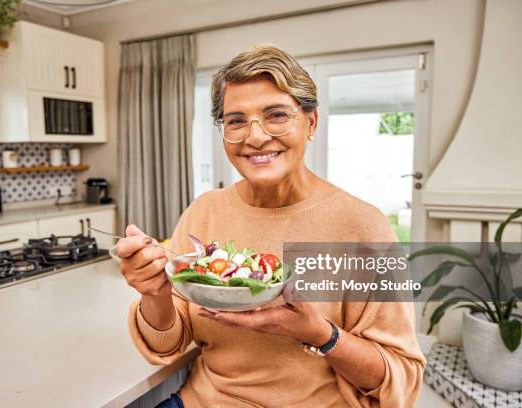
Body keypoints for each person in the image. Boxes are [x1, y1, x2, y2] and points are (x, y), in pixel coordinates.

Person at [117, 45, 425, 408]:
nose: (256, 137)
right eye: (236, 120)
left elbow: (400, 380)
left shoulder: (363, 227)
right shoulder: (205, 210)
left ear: (311, 123)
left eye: (276, 115)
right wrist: (154, 292)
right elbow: (166, 346)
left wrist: (319, 333)